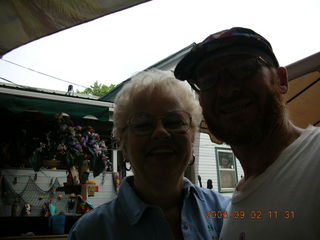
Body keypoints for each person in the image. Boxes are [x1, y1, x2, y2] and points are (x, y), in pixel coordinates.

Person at [174, 27, 320, 240]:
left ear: (281, 80)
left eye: (244, 68)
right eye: (207, 79)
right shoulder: (233, 208)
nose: (226, 90)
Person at [68, 69, 230, 240]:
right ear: (124, 143)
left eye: (174, 121)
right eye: (143, 124)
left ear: (192, 137)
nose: (160, 132)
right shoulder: (90, 232)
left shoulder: (226, 214)